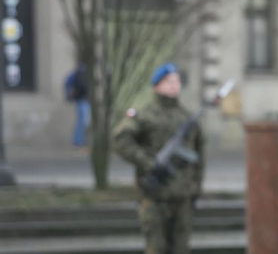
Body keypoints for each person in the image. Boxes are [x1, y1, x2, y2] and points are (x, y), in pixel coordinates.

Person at [112, 63, 205, 254]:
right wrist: (148, 163)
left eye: (176, 80)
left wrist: (196, 187)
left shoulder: (186, 117)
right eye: (167, 81)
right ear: (156, 85)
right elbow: (120, 139)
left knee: (181, 249)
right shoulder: (144, 114)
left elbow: (199, 155)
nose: (173, 85)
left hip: (182, 196)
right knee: (157, 248)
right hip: (154, 196)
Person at [64, 64, 89, 148]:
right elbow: (68, 84)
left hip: (83, 100)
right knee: (83, 121)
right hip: (82, 100)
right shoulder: (81, 73)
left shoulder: (79, 72)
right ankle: (78, 142)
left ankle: (79, 142)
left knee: (82, 121)